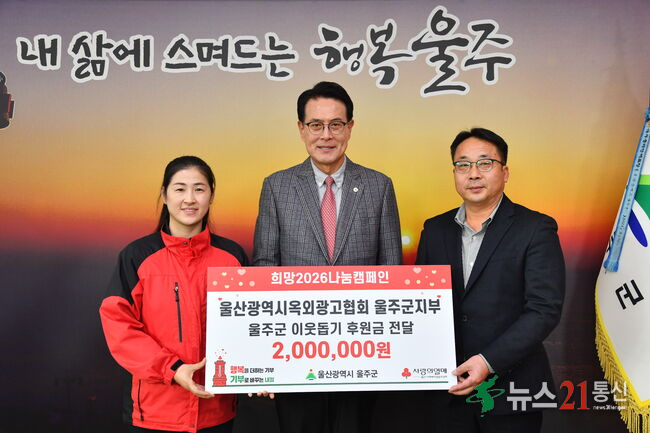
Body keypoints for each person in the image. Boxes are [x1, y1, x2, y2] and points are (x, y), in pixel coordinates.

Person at [252, 81, 403, 433]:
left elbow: (392, 271)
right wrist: (262, 357)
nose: (326, 135)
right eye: (316, 125)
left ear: (350, 127)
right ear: (301, 128)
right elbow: (264, 268)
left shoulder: (379, 186)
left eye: (336, 124)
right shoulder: (277, 186)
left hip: (362, 352)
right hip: (293, 351)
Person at [416, 128, 565, 433]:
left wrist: (486, 362)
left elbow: (543, 309)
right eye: (463, 164)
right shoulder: (434, 230)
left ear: (504, 172)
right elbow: (422, 305)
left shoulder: (535, 228)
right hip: (447, 391)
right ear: (454, 173)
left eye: (485, 163)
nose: (473, 174)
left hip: (510, 392)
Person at [100, 156, 249, 433]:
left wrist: (263, 372)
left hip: (216, 411)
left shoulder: (232, 257)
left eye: (199, 189)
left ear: (211, 195)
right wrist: (173, 369)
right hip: (154, 412)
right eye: (180, 189)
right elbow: (119, 327)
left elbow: (250, 326)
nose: (189, 199)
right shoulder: (137, 256)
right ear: (164, 195)